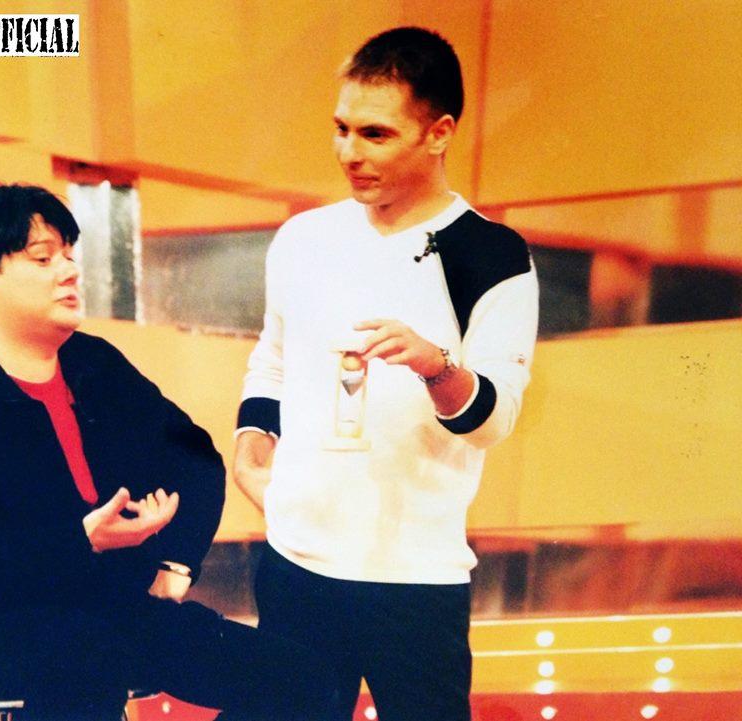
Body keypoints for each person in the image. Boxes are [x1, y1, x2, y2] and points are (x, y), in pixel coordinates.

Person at [0, 182, 343, 721]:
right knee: (86, 667)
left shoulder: (93, 364)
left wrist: (175, 563)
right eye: (43, 258)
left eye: (69, 255)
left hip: (109, 612)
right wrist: (80, 540)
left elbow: (193, 460)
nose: (69, 271)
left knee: (303, 681)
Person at [233, 27, 539, 721]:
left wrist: (436, 366)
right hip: (296, 562)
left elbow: (495, 420)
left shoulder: (491, 255)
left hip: (416, 577)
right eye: (341, 129)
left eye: (375, 134)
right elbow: (272, 358)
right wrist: (251, 448)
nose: (349, 152)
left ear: (439, 133)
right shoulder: (303, 238)